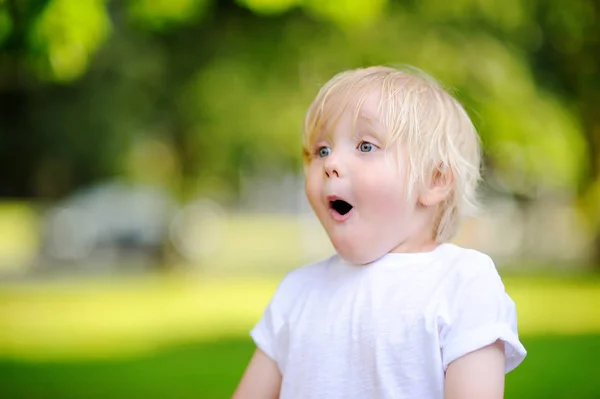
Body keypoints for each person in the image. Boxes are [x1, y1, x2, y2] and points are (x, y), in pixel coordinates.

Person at [232, 65, 527, 399]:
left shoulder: (461, 283)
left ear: (434, 180)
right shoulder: (297, 292)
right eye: (322, 150)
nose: (330, 163)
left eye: (366, 146)